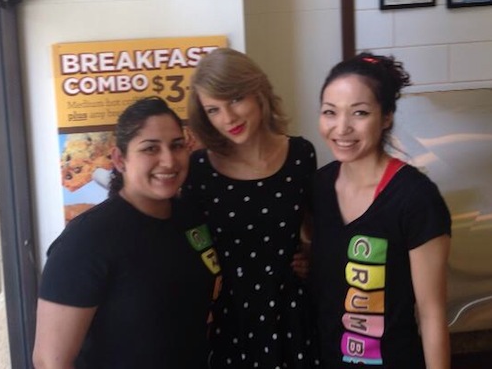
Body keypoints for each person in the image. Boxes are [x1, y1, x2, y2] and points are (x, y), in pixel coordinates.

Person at [32, 96, 220, 369]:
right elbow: (50, 361)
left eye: (177, 145)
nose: (169, 160)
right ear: (120, 159)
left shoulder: (190, 219)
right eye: (150, 148)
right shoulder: (86, 240)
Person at [310, 52, 451, 368]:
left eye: (359, 113)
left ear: (386, 117)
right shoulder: (318, 186)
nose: (341, 128)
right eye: (330, 112)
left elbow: (432, 314)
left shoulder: (415, 198)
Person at [182, 47, 318, 368]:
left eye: (234, 99)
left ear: (258, 91)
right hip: (228, 320)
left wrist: (312, 257)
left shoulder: (301, 155)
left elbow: (315, 229)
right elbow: (188, 249)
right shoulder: (198, 169)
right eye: (213, 110)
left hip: (292, 314)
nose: (227, 118)